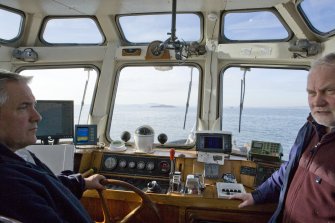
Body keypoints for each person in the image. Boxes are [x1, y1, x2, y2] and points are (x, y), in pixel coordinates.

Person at [230, 53, 335, 222]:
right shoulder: (310, 128)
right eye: (311, 92)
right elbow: (288, 170)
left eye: (329, 91)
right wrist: (256, 196)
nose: (317, 102)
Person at [0, 70, 106, 223]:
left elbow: (45, 185)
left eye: (33, 105)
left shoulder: (19, 155)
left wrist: (84, 182)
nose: (37, 116)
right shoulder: (8, 183)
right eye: (23, 107)